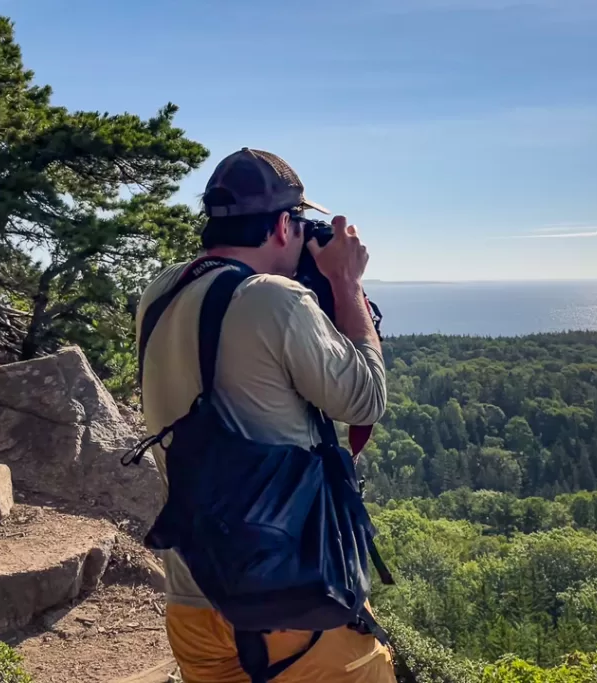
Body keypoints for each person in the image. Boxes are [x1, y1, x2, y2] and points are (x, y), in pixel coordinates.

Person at [135, 148, 394, 682]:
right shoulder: (274, 300)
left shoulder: (161, 292)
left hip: (194, 598)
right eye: (298, 223)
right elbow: (365, 399)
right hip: (293, 600)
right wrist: (346, 285)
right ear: (282, 225)